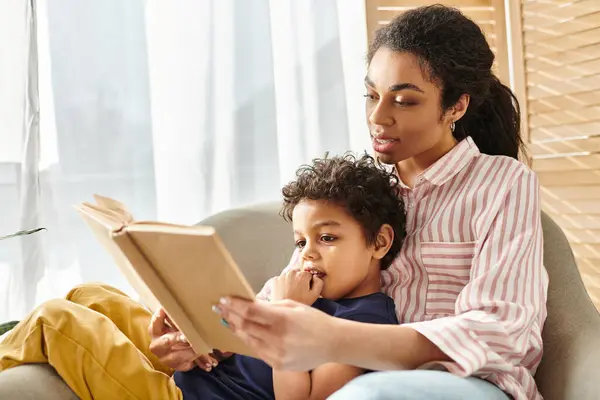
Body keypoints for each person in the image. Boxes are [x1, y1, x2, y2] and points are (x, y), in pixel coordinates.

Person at [209, 5, 548, 400]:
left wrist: (340, 338)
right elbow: (292, 284)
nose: (378, 117)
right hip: (354, 376)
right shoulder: (363, 189)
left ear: (456, 106)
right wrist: (209, 337)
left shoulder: (501, 183)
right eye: (371, 95)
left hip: (469, 384)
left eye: (404, 101)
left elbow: (502, 328)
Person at [0, 153, 406, 400]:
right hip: (194, 373)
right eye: (300, 241)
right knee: (90, 294)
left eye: (328, 237)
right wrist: (205, 337)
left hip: (181, 398)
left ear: (379, 242)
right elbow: (247, 349)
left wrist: (286, 312)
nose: (308, 254)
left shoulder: (365, 322)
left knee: (58, 320)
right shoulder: (307, 290)